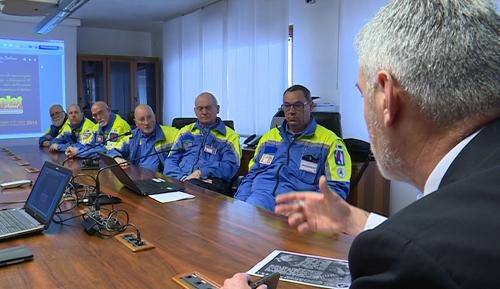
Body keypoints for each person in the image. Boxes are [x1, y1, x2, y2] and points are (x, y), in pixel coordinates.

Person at [223, 0, 500, 288]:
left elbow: (424, 248)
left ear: (386, 98)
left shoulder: (407, 255)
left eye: (362, 94)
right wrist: (358, 221)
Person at [235, 85, 351, 211]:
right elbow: (252, 174)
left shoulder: (331, 143)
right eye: (287, 106)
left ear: (311, 107)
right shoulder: (269, 138)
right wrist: (240, 203)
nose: (291, 111)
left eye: (298, 105)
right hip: (259, 200)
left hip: (296, 208)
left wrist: (307, 211)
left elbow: (336, 188)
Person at [164, 92, 241, 195]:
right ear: (195, 111)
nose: (204, 112)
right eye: (200, 108)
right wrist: (182, 179)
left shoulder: (230, 136)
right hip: (180, 182)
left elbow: (230, 167)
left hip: (208, 185)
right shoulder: (186, 132)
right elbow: (171, 160)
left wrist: (202, 172)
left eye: (208, 108)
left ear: (217, 109)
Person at [106, 104, 178, 172]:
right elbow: (112, 150)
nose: (146, 123)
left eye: (149, 117)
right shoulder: (132, 136)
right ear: (136, 123)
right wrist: (117, 158)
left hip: (160, 179)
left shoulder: (171, 133)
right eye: (142, 119)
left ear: (155, 117)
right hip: (136, 177)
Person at [65, 101, 131, 159]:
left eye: (100, 113)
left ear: (109, 110)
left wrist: (79, 152)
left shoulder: (119, 125)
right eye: (95, 115)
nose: (98, 117)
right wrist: (73, 149)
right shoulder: (97, 126)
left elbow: (106, 151)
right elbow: (89, 144)